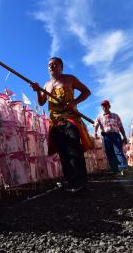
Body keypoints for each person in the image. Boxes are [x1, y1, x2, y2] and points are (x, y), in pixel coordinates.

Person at [30, 57, 92, 192]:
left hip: (70, 119)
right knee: (63, 152)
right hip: (55, 122)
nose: (52, 66)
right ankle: (72, 182)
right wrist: (38, 91)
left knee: (74, 148)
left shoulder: (70, 79)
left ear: (61, 67)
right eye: (49, 65)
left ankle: (81, 182)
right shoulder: (46, 85)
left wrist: (74, 102)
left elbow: (87, 91)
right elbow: (41, 102)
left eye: (55, 64)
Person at [94, 99, 128, 174]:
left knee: (118, 151)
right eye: (103, 106)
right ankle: (115, 170)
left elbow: (120, 126)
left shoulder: (115, 116)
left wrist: (124, 136)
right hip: (106, 136)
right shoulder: (99, 117)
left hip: (116, 134)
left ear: (109, 106)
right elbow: (96, 125)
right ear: (102, 108)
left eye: (106, 105)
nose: (104, 107)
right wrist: (95, 133)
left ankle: (123, 168)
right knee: (109, 153)